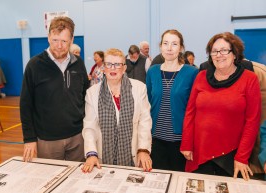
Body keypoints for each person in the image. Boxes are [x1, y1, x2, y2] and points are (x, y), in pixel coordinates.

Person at [180, 32, 261, 181]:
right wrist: (186, 143)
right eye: (214, 51)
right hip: (199, 152)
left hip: (231, 155)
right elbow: (190, 112)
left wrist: (242, 157)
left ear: (235, 54)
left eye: (224, 50)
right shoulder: (201, 76)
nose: (219, 55)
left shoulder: (249, 79)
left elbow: (252, 121)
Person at [20, 16, 89, 162]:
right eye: (55, 40)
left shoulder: (79, 64)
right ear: (48, 37)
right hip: (47, 140)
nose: (59, 45)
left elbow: (85, 97)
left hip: (77, 137)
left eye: (64, 41)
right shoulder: (34, 65)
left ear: (71, 40)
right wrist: (29, 139)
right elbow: (26, 105)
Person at [82, 48, 152, 173]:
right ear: (103, 68)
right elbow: (89, 127)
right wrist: (91, 153)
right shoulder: (92, 93)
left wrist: (143, 149)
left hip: (133, 156)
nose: (113, 68)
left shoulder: (139, 88)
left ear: (124, 68)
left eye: (117, 64)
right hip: (102, 158)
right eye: (109, 64)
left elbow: (144, 122)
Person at [146, 29, 198, 171]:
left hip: (181, 142)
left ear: (181, 48)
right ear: (161, 46)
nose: (169, 48)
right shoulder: (152, 71)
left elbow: (194, 109)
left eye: (174, 44)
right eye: (166, 43)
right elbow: (148, 104)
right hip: (155, 140)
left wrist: (190, 142)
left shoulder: (191, 72)